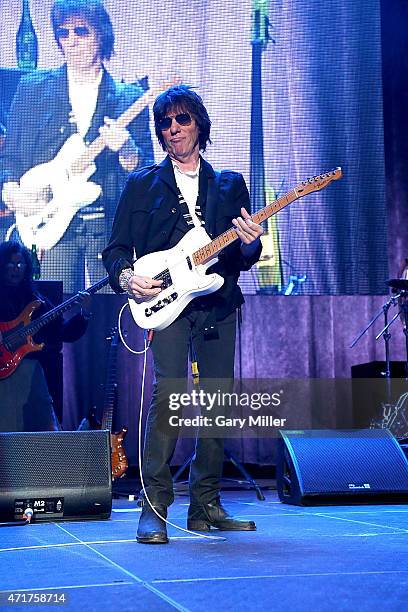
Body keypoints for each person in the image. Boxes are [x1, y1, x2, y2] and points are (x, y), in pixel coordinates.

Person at [103, 85, 264, 544]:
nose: (174, 129)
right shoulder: (141, 184)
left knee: (216, 402)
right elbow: (115, 250)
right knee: (169, 398)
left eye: (182, 120)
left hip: (216, 301)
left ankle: (205, 507)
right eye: (166, 123)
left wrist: (250, 241)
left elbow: (243, 256)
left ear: (199, 124)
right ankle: (154, 507)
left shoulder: (229, 184)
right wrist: (128, 277)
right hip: (167, 304)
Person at [0, 0, 154, 293]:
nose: (71, 41)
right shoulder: (33, 89)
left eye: (81, 31)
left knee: (110, 316)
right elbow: (8, 158)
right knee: (54, 316)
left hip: (107, 231)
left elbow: (147, 175)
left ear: (101, 34)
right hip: (54, 230)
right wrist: (11, 191)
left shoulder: (128, 98)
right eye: (63, 33)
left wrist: (127, 151)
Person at [0, 240, 91, 432]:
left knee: (41, 422)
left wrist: (84, 313)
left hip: (31, 369)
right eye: (11, 263)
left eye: (20, 263)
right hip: (4, 376)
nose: (16, 269)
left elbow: (62, 332)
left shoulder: (36, 300)